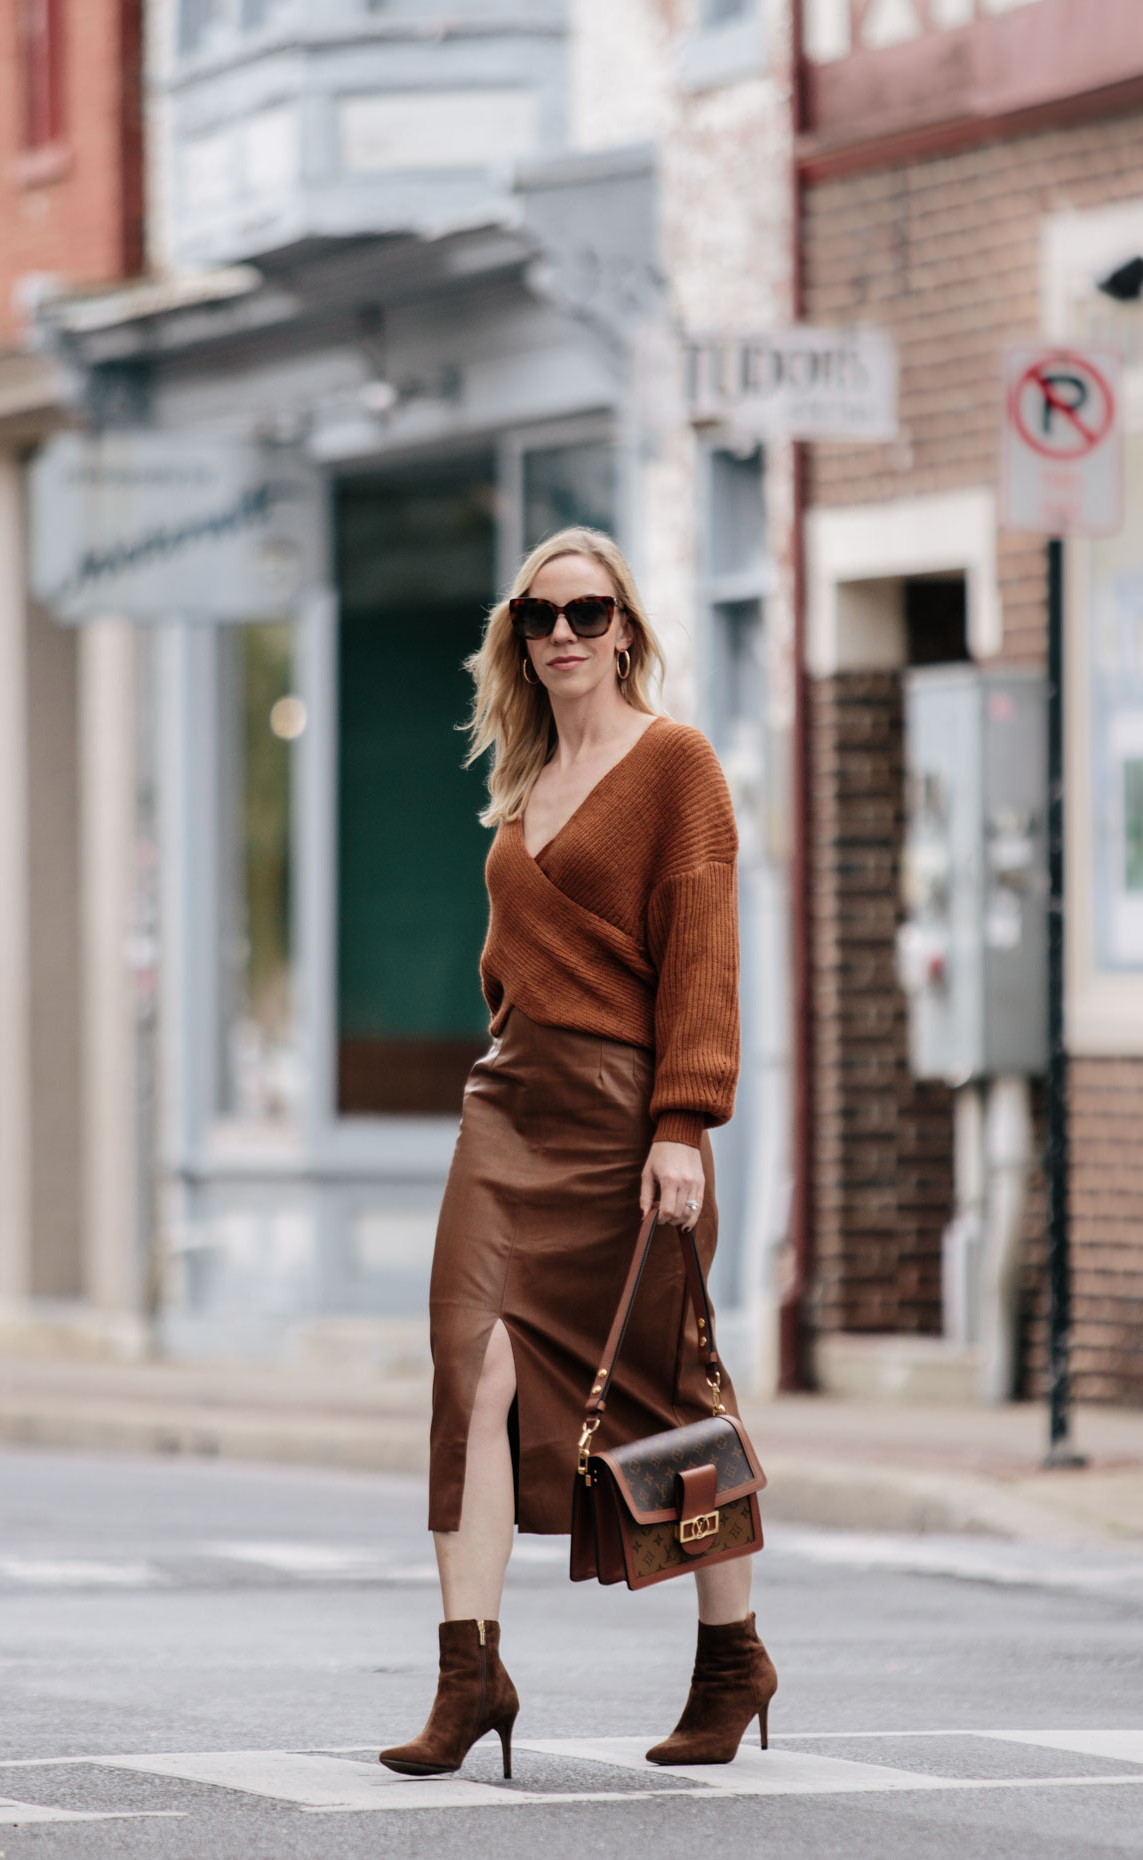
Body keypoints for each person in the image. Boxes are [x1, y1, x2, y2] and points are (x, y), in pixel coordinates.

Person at [379, 527, 776, 1781]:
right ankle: (469, 1671)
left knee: (666, 1395)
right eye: (539, 618)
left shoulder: (677, 766)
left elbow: (701, 961)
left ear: (626, 630)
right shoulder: (522, 776)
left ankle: (731, 1659)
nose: (562, 635)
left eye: (587, 613)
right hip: (508, 1108)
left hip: (623, 1119)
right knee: (468, 1369)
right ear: (516, 637)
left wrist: (682, 1126)